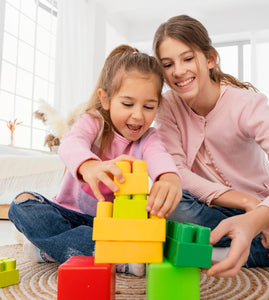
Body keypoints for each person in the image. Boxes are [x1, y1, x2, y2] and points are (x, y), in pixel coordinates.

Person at [152, 15, 269, 278]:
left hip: (265, 211)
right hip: (209, 212)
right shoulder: (167, 107)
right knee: (171, 200)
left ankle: (237, 251)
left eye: (187, 59)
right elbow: (178, 173)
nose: (178, 71)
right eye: (168, 64)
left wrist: (263, 217)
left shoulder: (247, 104)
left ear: (210, 58)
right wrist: (247, 203)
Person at [8, 44, 182, 277]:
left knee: (163, 238)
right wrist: (89, 165)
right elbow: (71, 142)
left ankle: (57, 249)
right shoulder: (94, 122)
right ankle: (117, 259)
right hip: (70, 217)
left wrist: (169, 178)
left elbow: (160, 156)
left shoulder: (149, 138)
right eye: (128, 104)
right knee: (21, 205)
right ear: (106, 98)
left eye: (149, 106)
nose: (138, 115)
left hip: (114, 227)